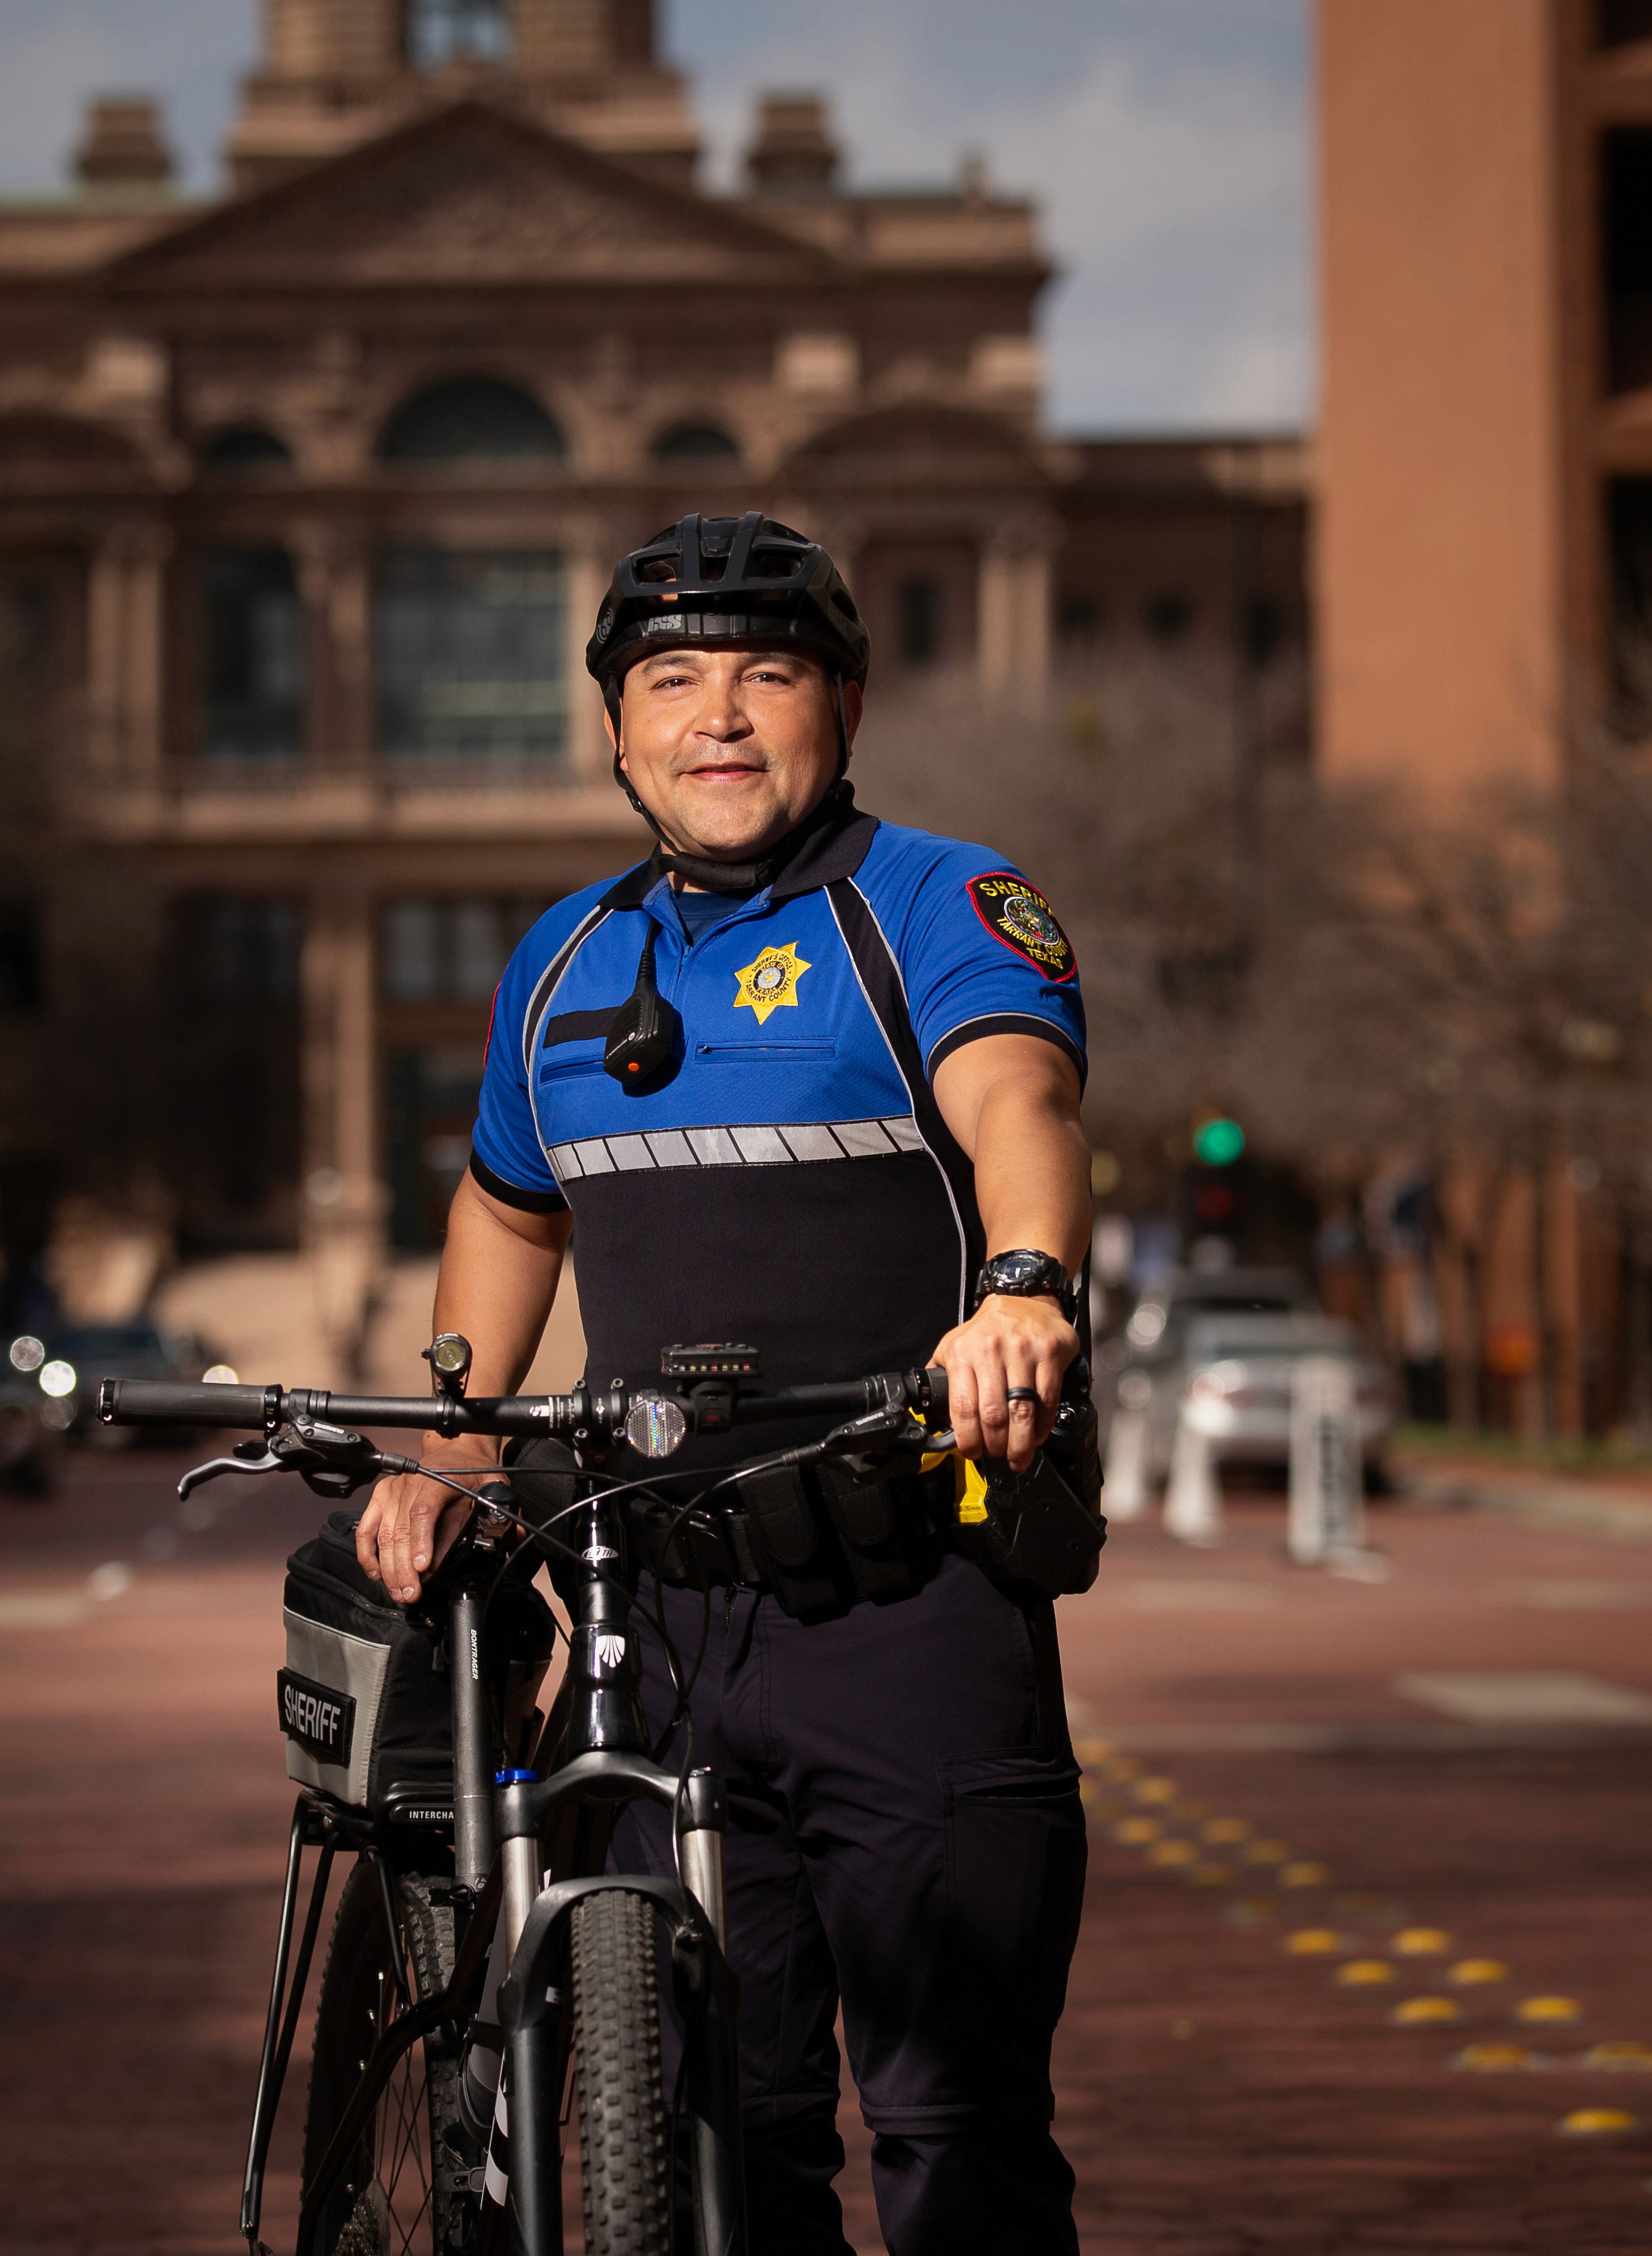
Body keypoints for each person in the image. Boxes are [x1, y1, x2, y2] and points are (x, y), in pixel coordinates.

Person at [351, 511, 1094, 2256]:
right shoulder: (557, 959)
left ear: (843, 704)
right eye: (673, 682)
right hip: (656, 1629)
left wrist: (1026, 1293)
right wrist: (456, 1442)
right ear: (616, 733)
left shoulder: (939, 902)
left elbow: (1020, 1110)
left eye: (768, 676)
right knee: (713, 2146)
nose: (722, 717)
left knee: (952, 2130)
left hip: (911, 1606)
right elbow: (506, 1205)